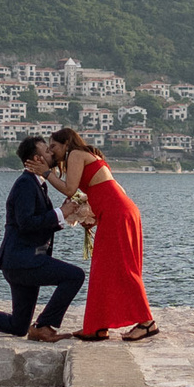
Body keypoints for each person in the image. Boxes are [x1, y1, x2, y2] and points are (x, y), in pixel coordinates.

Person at [0, 135, 84, 341]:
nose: (52, 153)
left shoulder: (37, 184)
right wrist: (59, 213)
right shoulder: (25, 184)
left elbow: (35, 223)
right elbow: (26, 223)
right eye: (47, 151)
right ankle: (43, 326)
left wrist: (65, 216)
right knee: (74, 276)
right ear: (37, 159)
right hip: (23, 261)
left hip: (19, 261)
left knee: (18, 326)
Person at [46, 126, 158, 342]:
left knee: (123, 267)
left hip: (117, 214)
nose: (51, 151)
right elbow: (110, 189)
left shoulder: (76, 154)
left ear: (66, 144)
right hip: (117, 212)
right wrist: (94, 217)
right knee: (102, 269)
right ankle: (98, 326)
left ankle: (147, 323)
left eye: (54, 146)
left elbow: (70, 189)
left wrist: (46, 173)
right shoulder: (89, 155)